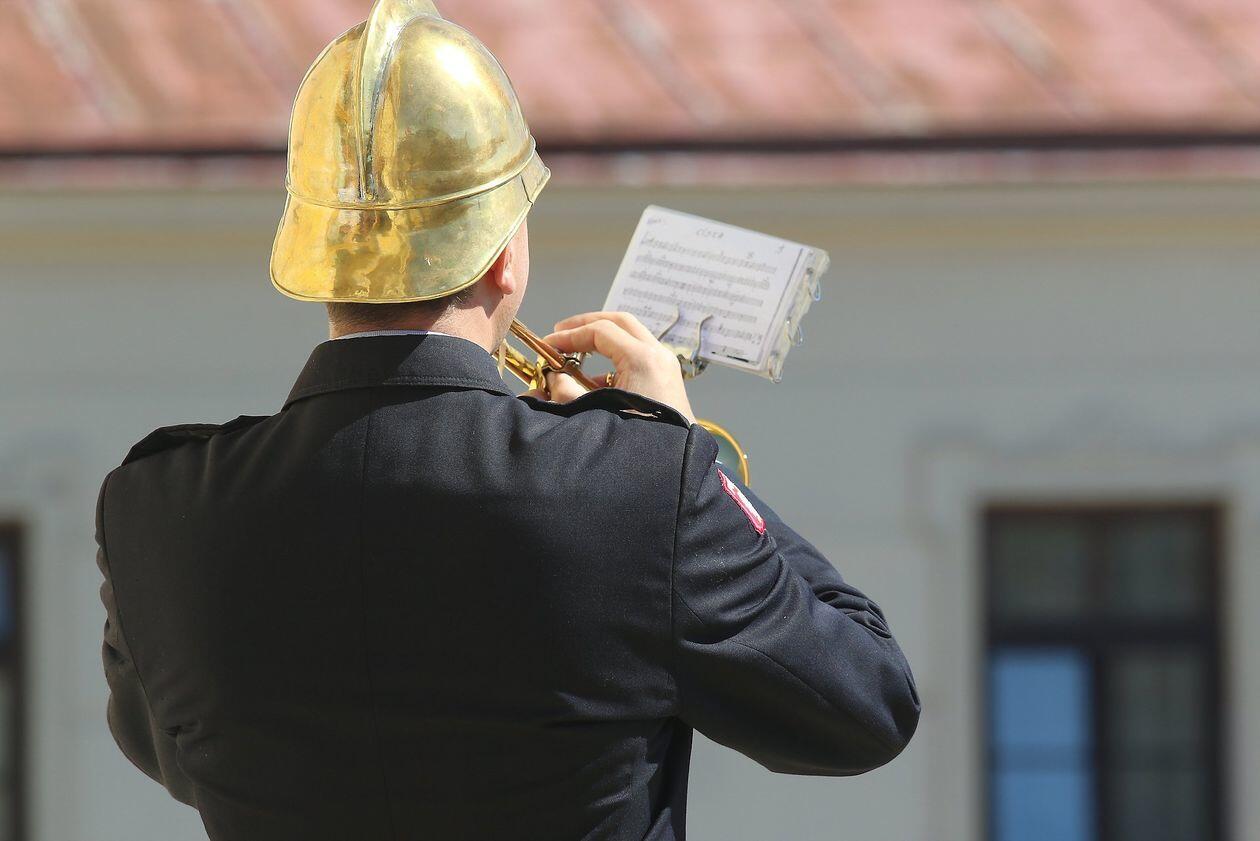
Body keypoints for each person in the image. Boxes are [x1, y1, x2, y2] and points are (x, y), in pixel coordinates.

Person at [95, 2, 920, 839]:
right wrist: (677, 445)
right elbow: (868, 700)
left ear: (321, 255)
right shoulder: (643, 484)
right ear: (502, 256)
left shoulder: (152, 508)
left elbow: (174, 749)